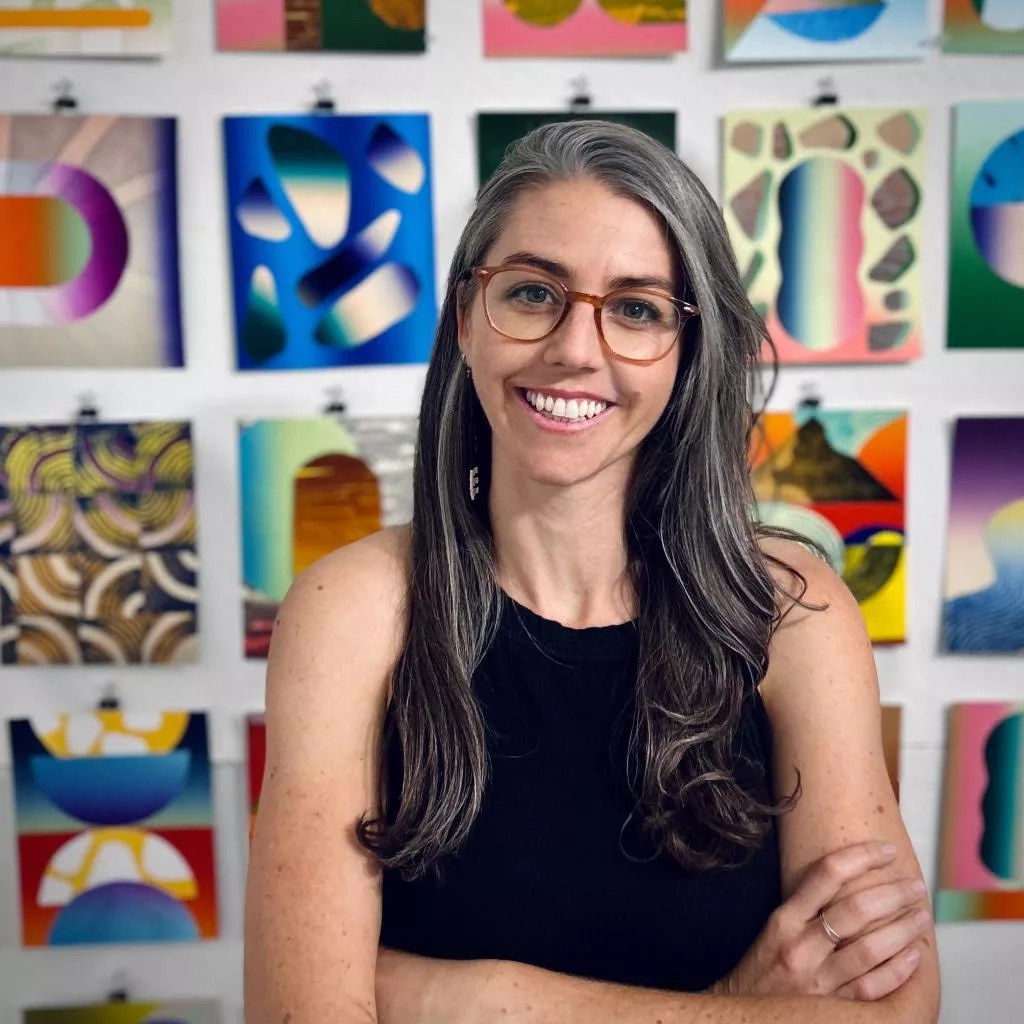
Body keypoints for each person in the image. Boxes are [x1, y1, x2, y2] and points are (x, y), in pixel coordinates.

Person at [243, 120, 940, 1023]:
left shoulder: (793, 616)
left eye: (638, 308)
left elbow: (895, 1010)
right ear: (466, 319)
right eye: (534, 292)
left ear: (690, 351)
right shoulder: (352, 613)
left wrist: (461, 996)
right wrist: (739, 1007)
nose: (576, 348)